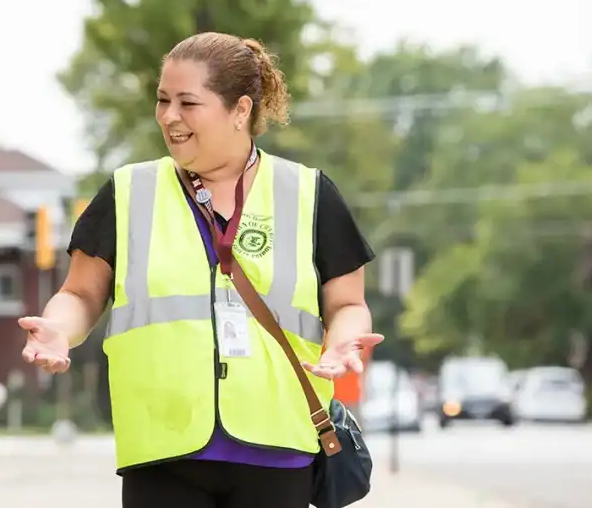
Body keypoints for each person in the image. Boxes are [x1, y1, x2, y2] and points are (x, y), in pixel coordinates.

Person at [20, 32, 384, 508]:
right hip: (162, 448)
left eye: (188, 103)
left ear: (240, 110)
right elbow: (81, 294)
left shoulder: (309, 193)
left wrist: (345, 339)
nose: (170, 116)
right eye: (163, 100)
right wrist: (58, 330)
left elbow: (348, 303)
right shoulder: (130, 191)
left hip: (277, 446)